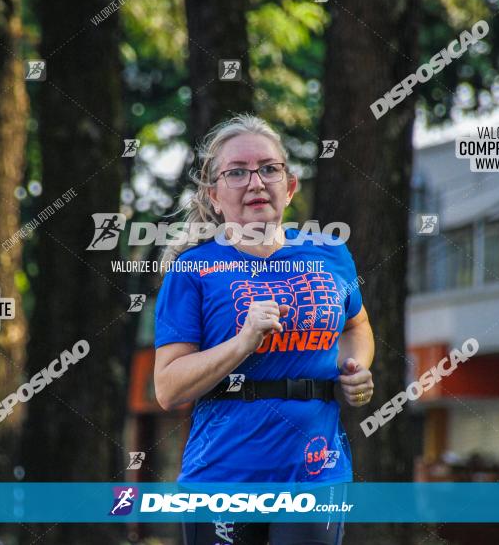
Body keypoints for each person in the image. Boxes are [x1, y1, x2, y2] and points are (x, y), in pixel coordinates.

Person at [153, 114, 375, 545]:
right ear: (214, 195)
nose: (256, 182)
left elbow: (358, 325)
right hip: (224, 475)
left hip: (316, 471)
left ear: (289, 187)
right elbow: (167, 387)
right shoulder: (194, 269)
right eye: (237, 172)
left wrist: (356, 367)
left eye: (269, 169)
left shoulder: (330, 253)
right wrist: (243, 342)